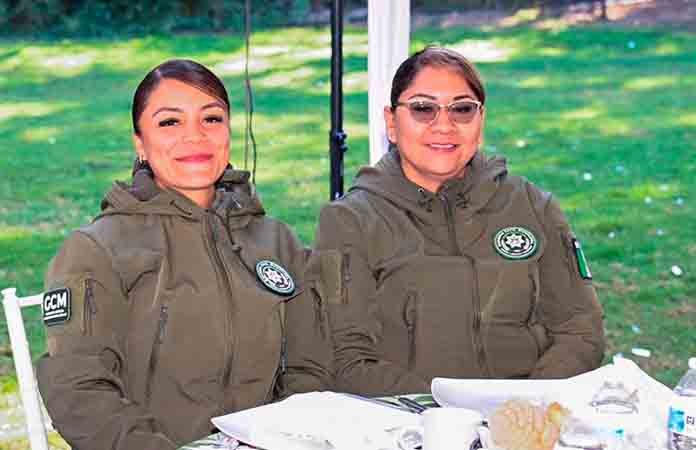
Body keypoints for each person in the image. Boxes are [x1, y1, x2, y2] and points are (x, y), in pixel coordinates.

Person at [298, 46, 606, 396]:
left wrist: (527, 404)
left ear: (480, 121)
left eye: (462, 109)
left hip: (528, 414)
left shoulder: (531, 206)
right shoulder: (350, 221)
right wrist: (452, 411)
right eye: (422, 108)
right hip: (407, 418)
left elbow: (581, 329)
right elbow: (345, 358)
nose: (444, 126)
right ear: (391, 123)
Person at [36, 59, 310, 449]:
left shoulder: (276, 241)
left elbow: (310, 365)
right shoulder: (97, 250)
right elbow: (79, 392)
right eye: (170, 122)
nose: (195, 136)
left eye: (211, 119)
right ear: (139, 143)